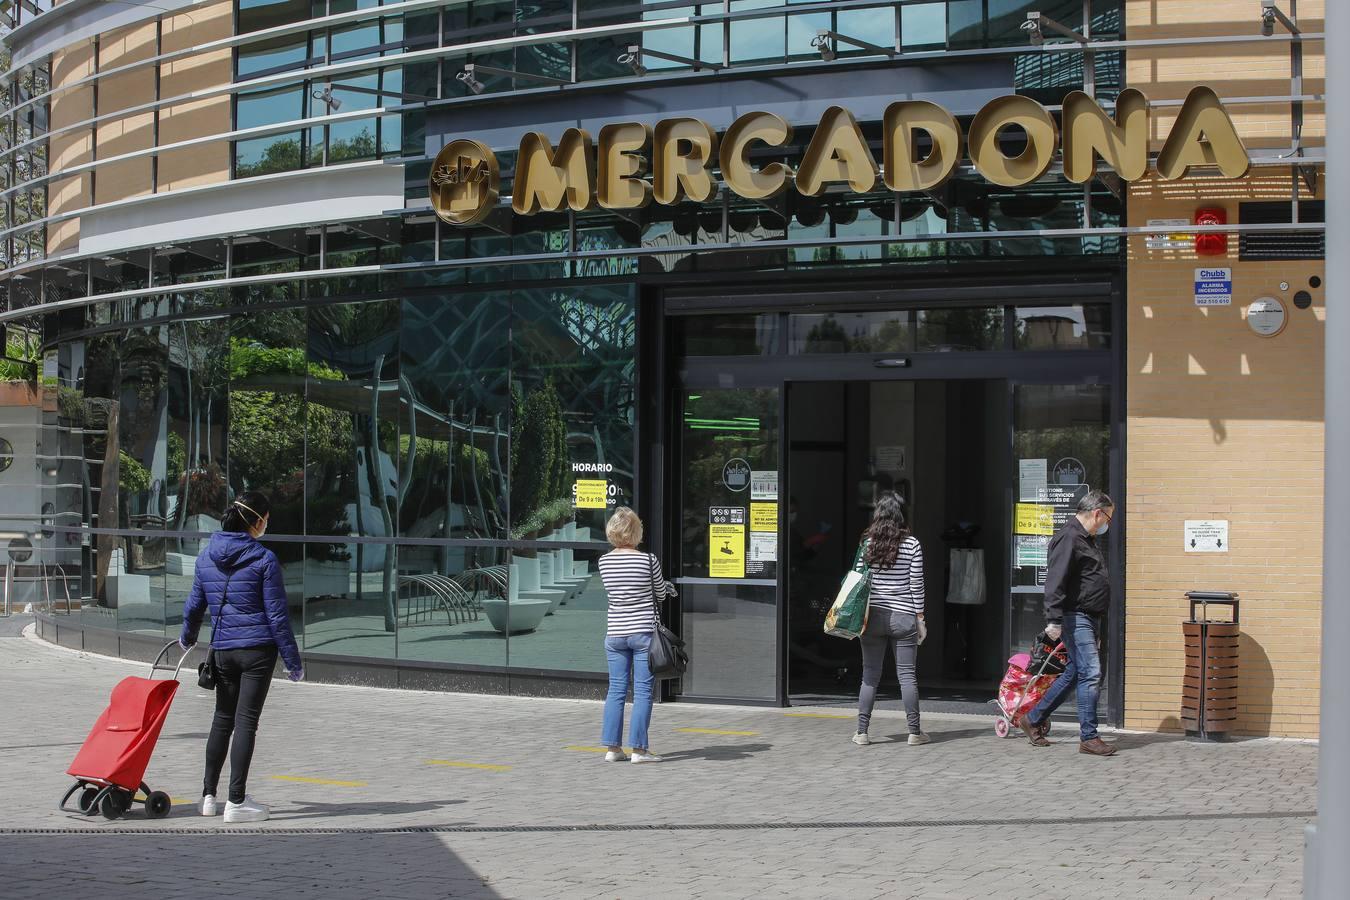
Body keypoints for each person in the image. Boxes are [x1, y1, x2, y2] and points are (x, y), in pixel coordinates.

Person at [179, 491, 304, 822]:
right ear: (258, 521)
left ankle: (208, 797)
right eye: (266, 519)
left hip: (222, 650)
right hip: (257, 652)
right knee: (246, 722)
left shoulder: (206, 558)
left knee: (222, 720)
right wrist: (293, 662)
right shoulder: (264, 559)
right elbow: (277, 617)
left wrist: (188, 637)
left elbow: (194, 605)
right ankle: (236, 801)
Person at [1019, 489, 1116, 756]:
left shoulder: (1086, 538)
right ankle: (1089, 736)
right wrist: (1053, 619)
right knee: (1091, 673)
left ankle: (1033, 718)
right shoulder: (1069, 538)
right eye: (1108, 517)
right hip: (1077, 616)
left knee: (1076, 672)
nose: (1108, 523)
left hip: (1089, 616)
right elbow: (1055, 580)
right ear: (1097, 513)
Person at [852, 491, 929, 747]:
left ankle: (862, 732)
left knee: (869, 676)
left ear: (877, 514)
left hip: (872, 616)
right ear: (900, 514)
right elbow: (916, 584)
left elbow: (860, 581)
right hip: (904, 616)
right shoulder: (912, 544)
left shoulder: (867, 542)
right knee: (907, 676)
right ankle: (915, 732)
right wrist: (920, 617)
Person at [596, 507, 666, 764]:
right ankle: (639, 750)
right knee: (643, 691)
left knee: (616, 690)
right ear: (636, 532)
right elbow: (659, 592)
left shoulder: (604, 562)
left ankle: (613, 749)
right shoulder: (648, 560)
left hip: (615, 632)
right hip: (642, 633)